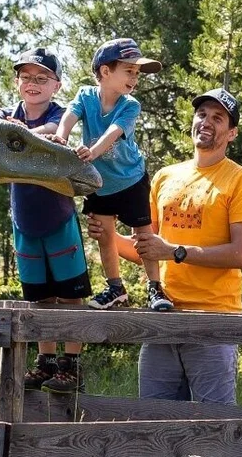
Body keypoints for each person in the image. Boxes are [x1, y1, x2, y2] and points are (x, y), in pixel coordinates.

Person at [110, 88, 242, 405]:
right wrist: (106, 236)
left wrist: (175, 252)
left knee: (213, 428)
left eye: (218, 118)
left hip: (214, 321)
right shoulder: (165, 177)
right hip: (162, 319)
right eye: (202, 114)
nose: (207, 121)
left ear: (231, 133)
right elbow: (147, 251)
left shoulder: (241, 180)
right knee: (154, 424)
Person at [0, 48, 91, 394]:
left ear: (56, 84)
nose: (32, 84)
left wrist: (24, 131)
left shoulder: (60, 115)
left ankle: (72, 364)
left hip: (59, 218)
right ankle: (46, 361)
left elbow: (52, 130)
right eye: (26, 77)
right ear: (16, 82)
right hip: (24, 221)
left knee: (70, 295)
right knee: (39, 298)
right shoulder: (6, 115)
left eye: (41, 78)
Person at [54, 38, 173, 311]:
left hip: (131, 179)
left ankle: (155, 288)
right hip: (99, 182)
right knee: (104, 235)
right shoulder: (85, 96)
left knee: (143, 235)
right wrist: (61, 138)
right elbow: (70, 116)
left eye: (137, 73)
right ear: (105, 72)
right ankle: (115, 288)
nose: (135, 78)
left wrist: (92, 153)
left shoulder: (130, 105)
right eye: (129, 70)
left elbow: (113, 133)